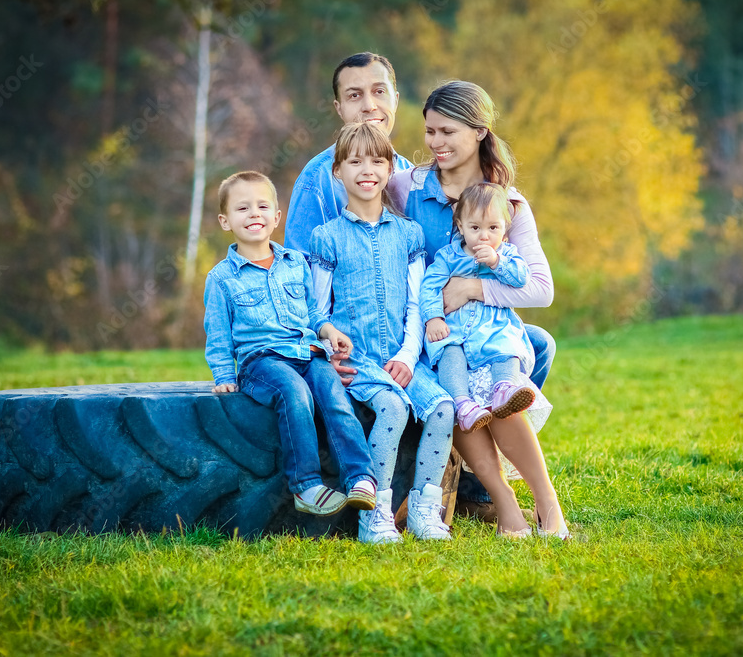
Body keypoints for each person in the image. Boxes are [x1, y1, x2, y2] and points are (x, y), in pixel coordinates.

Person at [389, 81, 569, 539]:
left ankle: (548, 507)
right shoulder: (404, 189)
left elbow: (541, 290)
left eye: (447, 131)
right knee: (458, 391)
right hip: (428, 334)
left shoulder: (506, 203)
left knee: (500, 390)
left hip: (484, 329)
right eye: (429, 131)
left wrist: (471, 288)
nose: (435, 143)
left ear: (480, 131)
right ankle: (503, 505)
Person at [310, 122, 456, 543]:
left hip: (402, 354)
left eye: (377, 160)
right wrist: (329, 349)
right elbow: (319, 311)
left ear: (391, 168)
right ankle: (375, 514)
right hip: (359, 362)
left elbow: (417, 303)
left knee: (444, 408)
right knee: (391, 408)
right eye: (354, 161)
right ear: (338, 171)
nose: (366, 169)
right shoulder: (327, 238)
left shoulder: (408, 234)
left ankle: (426, 511)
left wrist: (410, 356)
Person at [203, 170, 377, 518]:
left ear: (277, 216)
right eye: (243, 209)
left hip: (307, 353)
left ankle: (361, 478)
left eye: (263, 206)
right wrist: (224, 374)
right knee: (295, 393)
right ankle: (307, 485)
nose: (254, 214)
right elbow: (218, 333)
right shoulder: (221, 277)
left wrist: (328, 331)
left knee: (333, 395)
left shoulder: (294, 262)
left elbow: (312, 311)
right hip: (262, 363)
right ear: (225, 221)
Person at [422, 182, 536, 433]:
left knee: (507, 346)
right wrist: (433, 318)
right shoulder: (448, 257)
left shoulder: (507, 253)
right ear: (461, 226)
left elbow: (521, 278)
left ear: (505, 228)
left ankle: (504, 389)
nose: (484, 236)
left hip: (493, 326)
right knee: (449, 351)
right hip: (454, 327)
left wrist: (497, 263)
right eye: (475, 228)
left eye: (493, 228)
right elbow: (429, 287)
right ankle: (463, 405)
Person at [284, 51, 413, 255]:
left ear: (395, 100)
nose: (369, 106)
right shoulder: (317, 179)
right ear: (339, 108)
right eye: (354, 95)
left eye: (379, 91)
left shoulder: (413, 176)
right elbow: (301, 271)